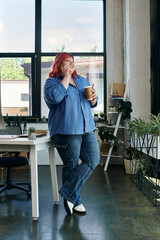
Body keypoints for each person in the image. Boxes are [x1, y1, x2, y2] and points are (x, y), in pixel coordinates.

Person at [44, 52, 100, 215]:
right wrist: (66, 78)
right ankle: (76, 201)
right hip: (66, 131)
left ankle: (67, 193)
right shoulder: (51, 83)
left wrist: (94, 99)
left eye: (72, 61)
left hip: (86, 129)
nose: (71, 64)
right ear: (58, 65)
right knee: (72, 164)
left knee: (92, 160)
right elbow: (55, 98)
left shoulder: (81, 80)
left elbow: (91, 103)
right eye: (66, 61)